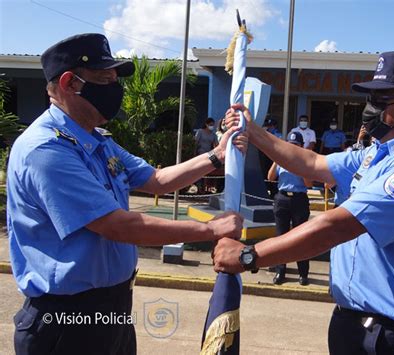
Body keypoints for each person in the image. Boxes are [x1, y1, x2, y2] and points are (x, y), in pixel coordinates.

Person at [214, 51, 394, 354]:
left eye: (380, 101)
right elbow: (312, 162)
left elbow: (336, 227)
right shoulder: (381, 153)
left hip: (392, 337)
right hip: (354, 324)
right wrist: (253, 131)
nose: (370, 110)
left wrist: (248, 256)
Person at [7, 33, 247, 355]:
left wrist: (216, 155)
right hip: (66, 320)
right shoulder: (46, 149)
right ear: (69, 83)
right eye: (104, 79)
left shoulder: (98, 141)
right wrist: (209, 229)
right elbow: (118, 226)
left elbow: (157, 179)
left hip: (111, 309)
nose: (114, 88)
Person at [268, 131, 313, 286]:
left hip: (299, 199)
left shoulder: (304, 161)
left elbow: (309, 184)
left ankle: (303, 273)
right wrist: (277, 158)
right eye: (291, 144)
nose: (293, 147)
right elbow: (270, 177)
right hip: (282, 198)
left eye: (296, 145)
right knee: (281, 236)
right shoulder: (282, 160)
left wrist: (301, 167)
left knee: (301, 237)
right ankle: (280, 271)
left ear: (301, 146)